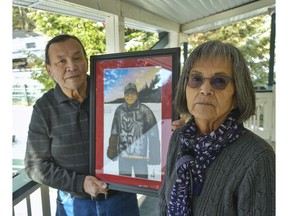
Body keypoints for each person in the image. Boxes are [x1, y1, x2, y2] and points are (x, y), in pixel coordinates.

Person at [24, 34, 140, 216]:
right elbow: (35, 165)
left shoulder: (114, 92)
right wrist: (80, 183)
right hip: (74, 204)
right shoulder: (43, 109)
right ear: (49, 70)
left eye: (77, 57)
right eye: (61, 61)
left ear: (86, 61)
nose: (71, 66)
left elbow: (145, 126)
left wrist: (169, 127)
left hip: (122, 198)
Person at [159, 40, 275, 215]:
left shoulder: (258, 156)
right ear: (185, 87)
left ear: (237, 95)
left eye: (219, 81)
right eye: (196, 79)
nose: (205, 89)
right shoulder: (180, 137)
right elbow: (163, 201)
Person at [107, 82, 161, 179]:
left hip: (140, 157)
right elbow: (114, 131)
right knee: (124, 185)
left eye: (133, 93)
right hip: (123, 156)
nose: (130, 96)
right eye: (127, 93)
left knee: (142, 184)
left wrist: (154, 155)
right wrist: (112, 151)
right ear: (124, 95)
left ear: (137, 94)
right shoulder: (119, 111)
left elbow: (153, 134)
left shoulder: (145, 110)